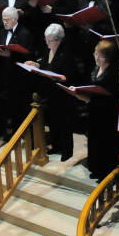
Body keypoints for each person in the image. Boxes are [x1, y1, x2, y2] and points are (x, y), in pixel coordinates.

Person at [25, 24, 76, 161]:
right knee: (53, 121)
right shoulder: (48, 51)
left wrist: (52, 76)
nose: (47, 43)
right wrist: (35, 65)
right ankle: (56, 146)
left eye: (50, 40)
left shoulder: (67, 53)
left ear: (59, 40)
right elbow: (45, 66)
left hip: (63, 95)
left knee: (64, 124)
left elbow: (68, 77)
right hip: (50, 93)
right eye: (46, 39)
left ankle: (67, 151)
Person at [74, 40, 119, 180]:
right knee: (94, 140)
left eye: (100, 56)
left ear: (109, 57)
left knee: (105, 142)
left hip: (108, 113)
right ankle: (95, 167)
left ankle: (106, 171)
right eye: (95, 54)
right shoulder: (95, 68)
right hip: (94, 110)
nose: (96, 58)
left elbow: (114, 96)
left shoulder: (114, 73)